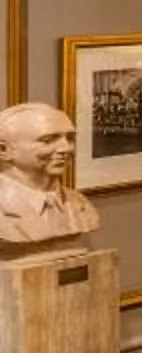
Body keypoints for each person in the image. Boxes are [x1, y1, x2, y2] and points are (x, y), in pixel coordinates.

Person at [0, 103, 99, 247]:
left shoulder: (80, 205)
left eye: (70, 138)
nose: (66, 148)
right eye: (47, 140)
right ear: (4, 150)